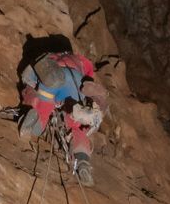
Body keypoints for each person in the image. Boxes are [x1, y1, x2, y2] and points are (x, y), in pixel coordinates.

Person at [18, 43, 109, 185]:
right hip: (76, 85)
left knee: (39, 100)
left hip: (53, 76)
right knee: (75, 128)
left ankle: (37, 119)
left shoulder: (50, 56)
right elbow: (89, 81)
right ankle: (82, 160)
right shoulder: (82, 63)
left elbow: (28, 76)